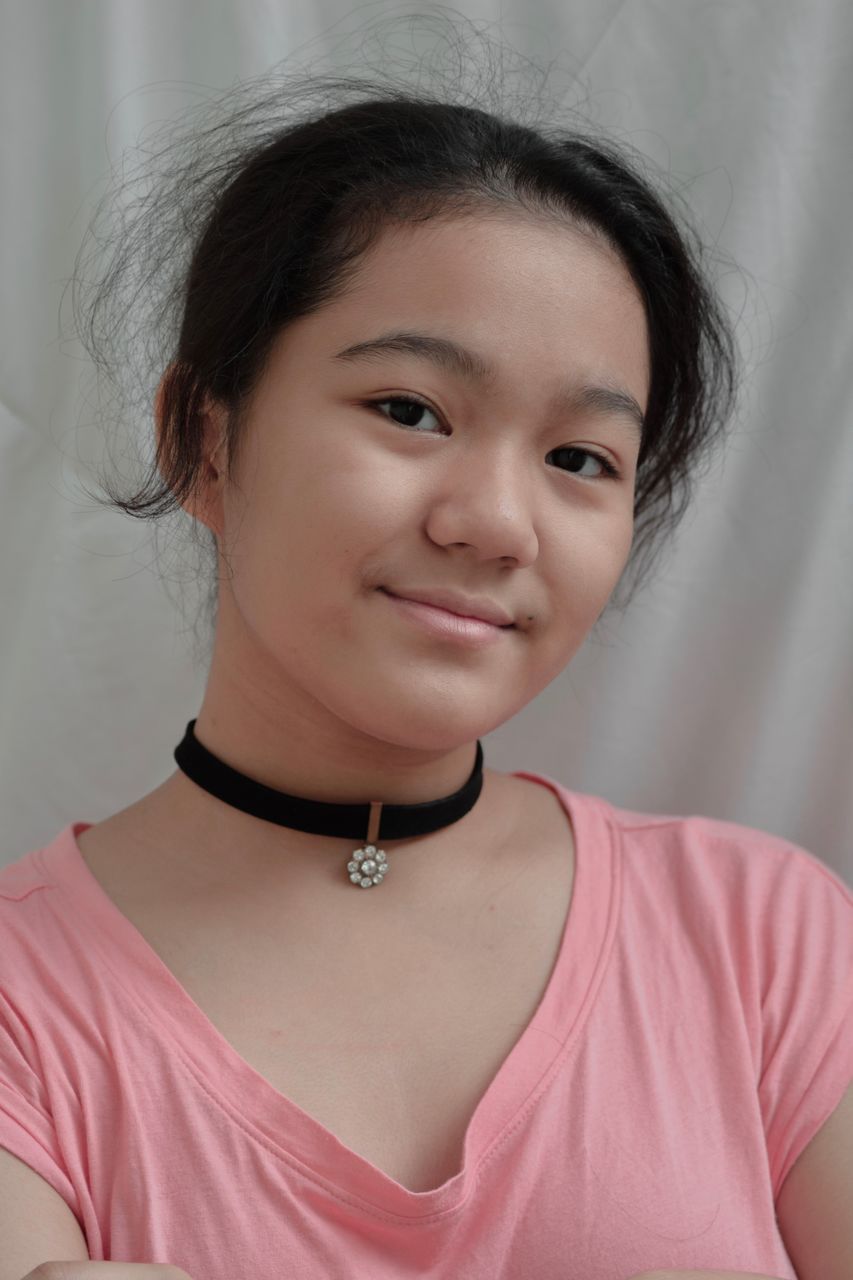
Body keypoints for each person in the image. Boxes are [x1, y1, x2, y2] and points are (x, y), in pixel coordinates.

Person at [1, 18, 850, 1280]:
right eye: (409, 409)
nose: (495, 522)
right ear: (202, 436)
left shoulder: (767, 938)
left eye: (579, 458)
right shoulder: (23, 1007)